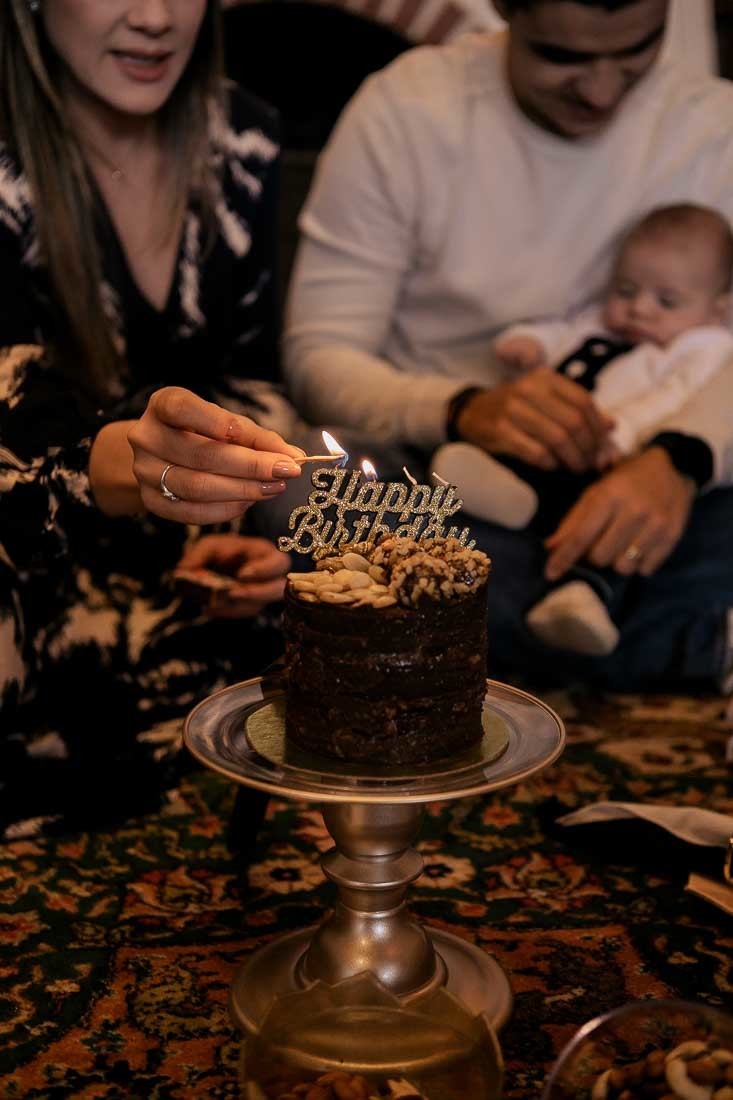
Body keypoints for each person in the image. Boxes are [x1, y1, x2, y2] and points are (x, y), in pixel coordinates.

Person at [283, 0, 733, 694]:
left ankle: (448, 629)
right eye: (563, 57)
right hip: (456, 485)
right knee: (304, 484)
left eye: (635, 53)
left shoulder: (713, 126)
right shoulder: (408, 109)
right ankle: (680, 644)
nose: (601, 91)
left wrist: (681, 458)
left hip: (659, 496)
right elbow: (319, 356)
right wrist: (461, 408)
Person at [0, 0, 307, 837]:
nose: (155, 17)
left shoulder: (241, 136)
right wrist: (113, 463)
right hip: (34, 529)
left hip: (183, 547)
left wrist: (237, 508)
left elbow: (250, 380)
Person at [432, 203, 733, 657]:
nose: (639, 309)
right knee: (520, 459)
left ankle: (583, 596)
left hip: (620, 460)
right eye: (626, 291)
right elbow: (562, 332)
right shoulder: (600, 323)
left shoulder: (702, 347)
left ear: (717, 309)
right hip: (553, 444)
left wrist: (625, 433)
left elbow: (676, 397)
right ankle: (510, 495)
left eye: (666, 301)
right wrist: (529, 346)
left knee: (615, 527)